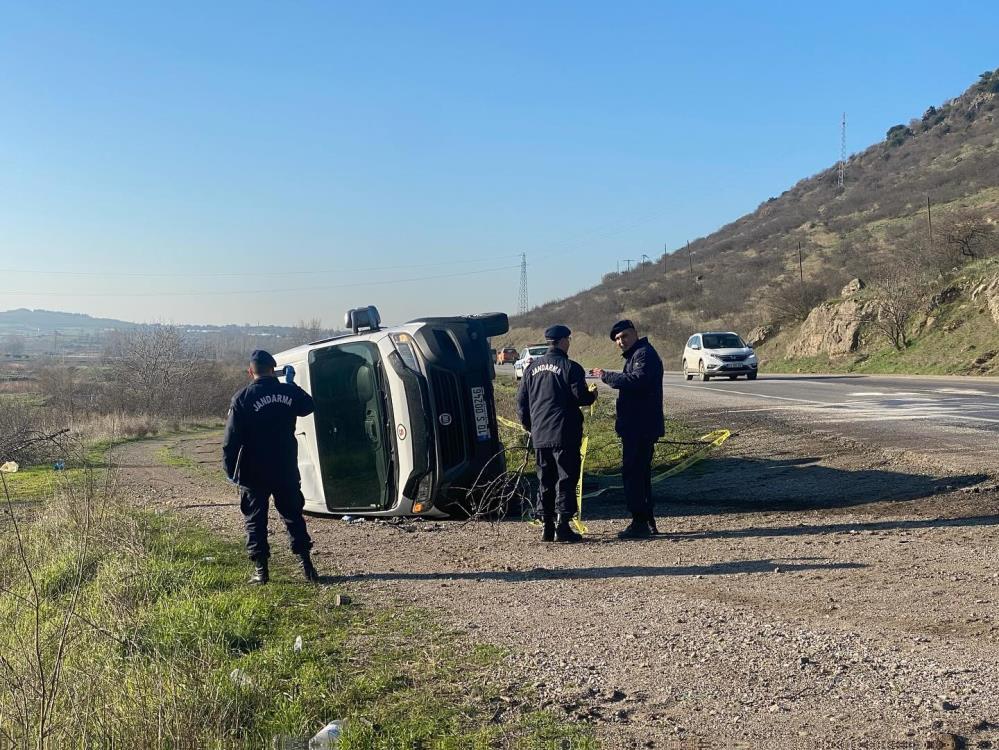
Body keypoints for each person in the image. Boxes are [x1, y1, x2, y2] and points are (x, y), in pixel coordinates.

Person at [222, 350, 319, 584]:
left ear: (250, 371)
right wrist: (291, 385)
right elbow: (308, 406)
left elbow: (231, 439)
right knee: (293, 515)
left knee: (255, 519)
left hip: (253, 470)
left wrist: (229, 468)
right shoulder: (287, 391)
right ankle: (307, 566)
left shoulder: (242, 398)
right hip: (284, 466)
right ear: (273, 369)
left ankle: (261, 572)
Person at [516, 325, 597, 543]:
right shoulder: (571, 367)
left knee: (545, 479)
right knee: (566, 478)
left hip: (540, 434)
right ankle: (563, 525)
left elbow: (522, 403)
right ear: (563, 341)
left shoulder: (531, 369)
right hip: (565, 433)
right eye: (568, 339)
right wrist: (592, 396)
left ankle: (546, 526)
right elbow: (580, 396)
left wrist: (529, 426)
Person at [593, 320, 665, 539]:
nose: (620, 342)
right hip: (638, 426)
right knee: (640, 474)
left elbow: (637, 380)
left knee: (633, 474)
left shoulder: (644, 354)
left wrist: (606, 376)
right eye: (617, 339)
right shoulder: (637, 355)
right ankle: (647, 520)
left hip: (640, 427)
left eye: (624, 336)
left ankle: (639, 522)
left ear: (634, 334)